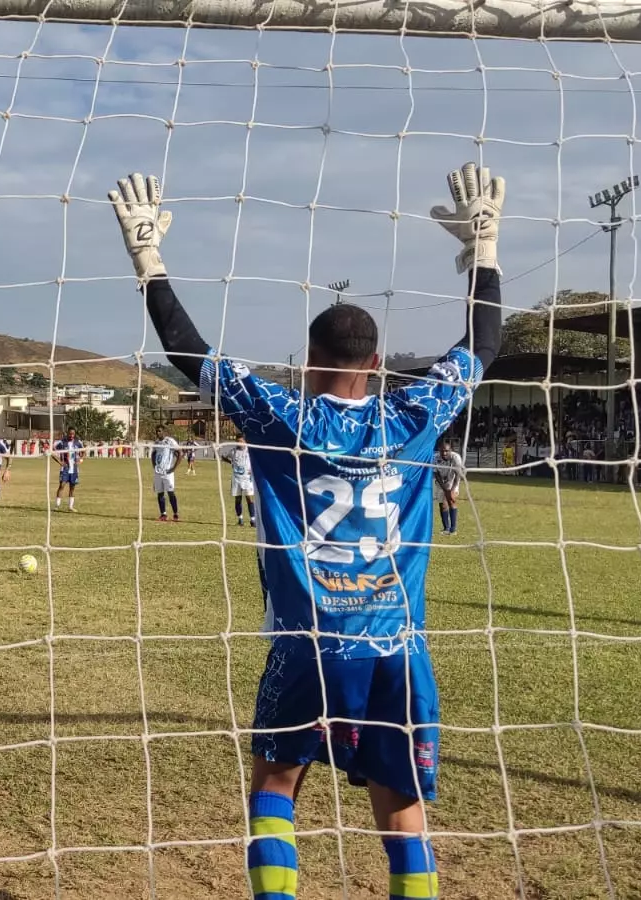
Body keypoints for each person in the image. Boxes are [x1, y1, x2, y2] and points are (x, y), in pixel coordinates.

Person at [110, 162, 504, 900]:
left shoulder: (279, 415)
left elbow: (187, 352)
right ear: (377, 363)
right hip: (395, 644)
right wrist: (483, 245)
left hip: (309, 642)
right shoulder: (413, 416)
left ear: (311, 358)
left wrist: (147, 256)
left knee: (275, 784)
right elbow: (485, 342)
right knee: (400, 804)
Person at [433, 439, 466, 536]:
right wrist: (444, 488)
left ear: (450, 450)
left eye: (446, 451)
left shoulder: (456, 457)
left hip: (453, 480)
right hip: (441, 482)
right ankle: (446, 528)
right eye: (442, 450)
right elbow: (436, 474)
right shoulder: (435, 458)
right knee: (442, 504)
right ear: (439, 450)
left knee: (451, 500)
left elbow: (458, 474)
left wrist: (452, 490)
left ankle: (453, 529)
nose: (444, 453)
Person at [223, 434, 257, 527]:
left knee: (249, 499)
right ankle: (240, 518)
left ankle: (253, 520)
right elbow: (224, 457)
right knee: (238, 499)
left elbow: (256, 461)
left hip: (247, 479)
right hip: (236, 479)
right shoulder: (233, 451)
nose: (239, 443)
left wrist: (252, 470)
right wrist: (231, 462)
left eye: (241, 441)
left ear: (245, 442)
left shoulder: (249, 451)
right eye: (237, 441)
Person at [149, 424, 181, 522]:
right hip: (158, 472)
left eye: (159, 431)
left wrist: (173, 468)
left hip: (168, 472)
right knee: (160, 493)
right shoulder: (157, 442)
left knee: (171, 493)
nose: (158, 433)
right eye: (156, 431)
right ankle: (163, 514)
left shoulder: (170, 441)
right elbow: (153, 453)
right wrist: (154, 465)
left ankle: (175, 514)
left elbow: (180, 453)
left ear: (164, 431)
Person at [54, 427, 85, 511]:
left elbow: (84, 452)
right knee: (62, 485)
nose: (71, 435)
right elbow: (52, 452)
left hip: (74, 469)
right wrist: (59, 462)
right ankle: (57, 506)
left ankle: (70, 507)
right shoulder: (62, 442)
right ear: (67, 433)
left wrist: (80, 460)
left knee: (72, 487)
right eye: (70, 433)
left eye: (73, 434)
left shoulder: (78, 442)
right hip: (65, 468)